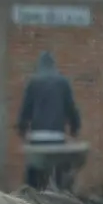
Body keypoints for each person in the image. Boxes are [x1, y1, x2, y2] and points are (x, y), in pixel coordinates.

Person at [17, 51, 83, 189]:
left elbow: (25, 110)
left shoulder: (33, 83)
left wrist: (22, 130)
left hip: (37, 138)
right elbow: (71, 108)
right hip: (57, 138)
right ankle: (61, 192)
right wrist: (74, 129)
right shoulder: (63, 83)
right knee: (60, 169)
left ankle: (30, 194)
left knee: (33, 171)